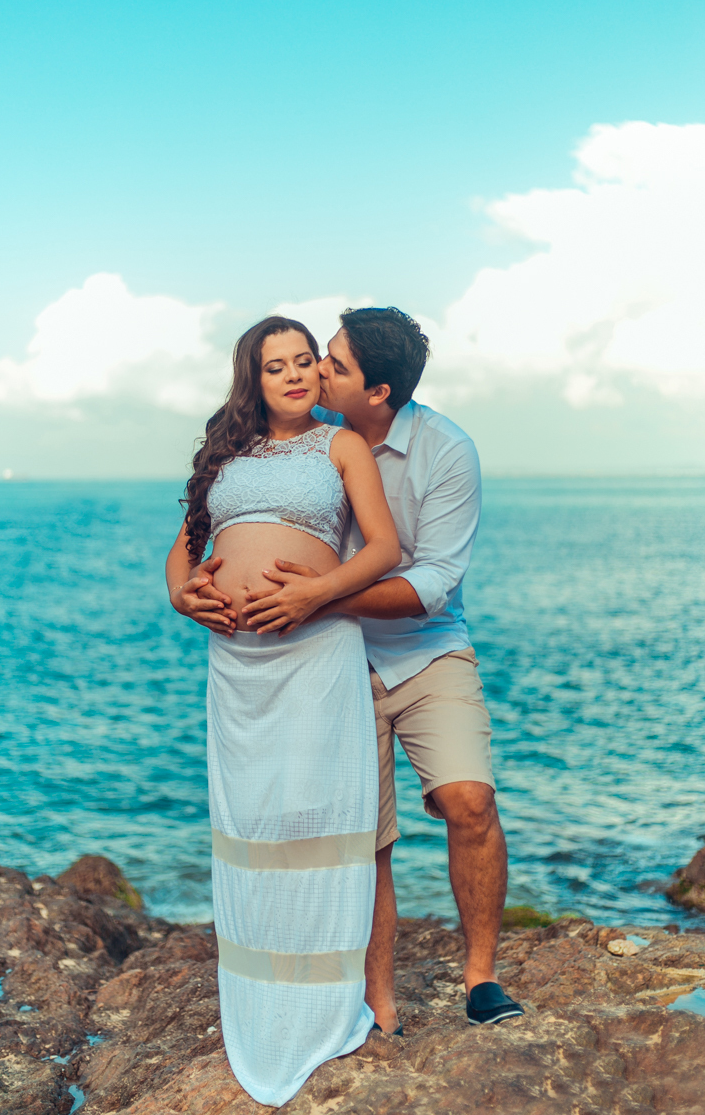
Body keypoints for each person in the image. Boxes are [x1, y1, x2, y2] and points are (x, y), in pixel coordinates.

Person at [235, 307, 525, 1031]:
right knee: (365, 840)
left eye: (333, 364)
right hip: (330, 660)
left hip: (427, 649)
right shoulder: (309, 435)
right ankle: (378, 1003)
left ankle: (481, 978)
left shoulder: (447, 451)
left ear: (379, 391)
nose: (316, 370)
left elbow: (435, 582)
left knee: (470, 801)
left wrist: (320, 598)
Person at [165, 315, 401, 1107]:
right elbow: (185, 548)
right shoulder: (226, 453)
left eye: (305, 361)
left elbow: (383, 550)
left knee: (314, 817)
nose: (296, 375)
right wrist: (182, 594)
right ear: (254, 379)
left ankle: (323, 1007)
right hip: (238, 666)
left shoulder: (342, 446)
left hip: (315, 649)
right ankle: (264, 1002)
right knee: (257, 825)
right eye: (277, 366)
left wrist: (313, 594)